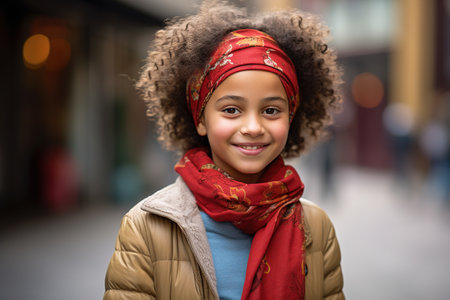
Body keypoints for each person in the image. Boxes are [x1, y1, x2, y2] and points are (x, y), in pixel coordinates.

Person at [104, 1, 344, 299]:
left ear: (291, 117)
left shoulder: (317, 228)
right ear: (201, 119)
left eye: (271, 110)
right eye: (232, 110)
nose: (253, 127)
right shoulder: (145, 227)